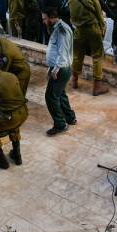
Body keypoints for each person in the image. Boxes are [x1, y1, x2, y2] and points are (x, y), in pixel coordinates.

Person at [68, 0, 109, 95]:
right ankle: (97, 87)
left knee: (77, 55)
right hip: (93, 30)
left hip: (79, 30)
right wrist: (102, 29)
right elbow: (99, 15)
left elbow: (72, 16)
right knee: (97, 56)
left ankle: (74, 81)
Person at [41, 8, 77, 136]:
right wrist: (50, 68)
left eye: (45, 19)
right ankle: (70, 117)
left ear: (51, 17)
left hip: (61, 69)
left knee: (50, 96)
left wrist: (55, 69)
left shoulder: (62, 31)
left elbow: (63, 53)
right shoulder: (57, 28)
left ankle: (60, 124)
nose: (44, 21)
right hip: (57, 67)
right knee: (60, 93)